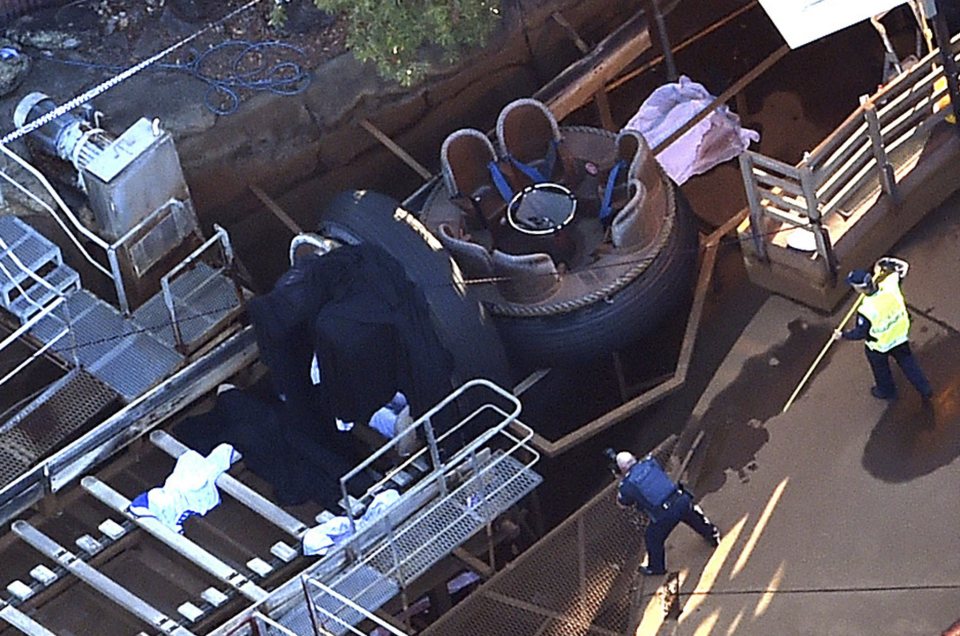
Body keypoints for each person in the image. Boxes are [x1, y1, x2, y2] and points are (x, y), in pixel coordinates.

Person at [833, 256, 933, 401]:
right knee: (909, 363)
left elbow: (860, 333)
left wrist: (842, 335)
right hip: (900, 336)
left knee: (881, 370)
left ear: (859, 288)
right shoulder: (891, 285)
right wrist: (884, 263)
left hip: (879, 346)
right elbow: (902, 268)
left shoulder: (866, 309)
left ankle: (887, 391)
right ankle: (924, 388)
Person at [615, 451, 721, 576]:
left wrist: (621, 481)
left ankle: (656, 568)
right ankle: (713, 535)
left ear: (621, 469)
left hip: (665, 514)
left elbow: (623, 503)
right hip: (680, 499)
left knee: (652, 538)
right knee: (692, 515)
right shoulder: (650, 462)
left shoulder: (627, 485)